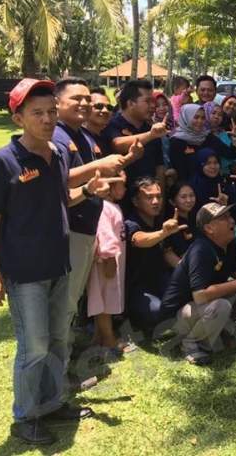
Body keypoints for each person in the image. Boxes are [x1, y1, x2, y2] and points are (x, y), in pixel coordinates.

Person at [0, 79, 112, 444]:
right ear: (18, 118)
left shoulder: (57, 153)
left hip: (59, 266)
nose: (47, 119)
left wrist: (86, 191)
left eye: (51, 111)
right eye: (37, 113)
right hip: (25, 273)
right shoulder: (2, 161)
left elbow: (59, 200)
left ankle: (53, 403)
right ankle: (26, 416)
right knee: (34, 346)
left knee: (57, 340)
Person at [51, 78, 130, 359]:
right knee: (65, 303)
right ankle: (59, 370)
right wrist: (100, 166)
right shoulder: (57, 137)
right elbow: (59, 181)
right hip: (69, 230)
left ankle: (63, 361)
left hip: (88, 228)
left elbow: (93, 178)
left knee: (72, 302)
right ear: (57, 103)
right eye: (77, 99)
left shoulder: (83, 136)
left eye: (88, 98)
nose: (84, 104)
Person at [160, 203, 236, 365]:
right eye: (224, 218)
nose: (231, 220)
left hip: (202, 306)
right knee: (221, 305)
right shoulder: (200, 250)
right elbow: (200, 295)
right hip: (179, 314)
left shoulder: (230, 242)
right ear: (209, 228)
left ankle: (221, 331)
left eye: (230, 216)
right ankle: (192, 344)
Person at [124, 176, 187, 330]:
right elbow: (139, 240)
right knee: (157, 313)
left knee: (186, 297)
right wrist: (163, 233)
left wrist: (186, 269)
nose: (155, 201)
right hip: (138, 286)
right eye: (149, 197)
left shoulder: (159, 221)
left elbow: (167, 252)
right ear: (135, 201)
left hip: (160, 278)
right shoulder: (130, 222)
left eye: (158, 196)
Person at [87, 173, 129, 355]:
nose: (125, 189)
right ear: (110, 186)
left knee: (106, 300)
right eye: (122, 185)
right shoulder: (104, 207)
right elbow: (103, 234)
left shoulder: (113, 206)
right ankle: (109, 340)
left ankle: (98, 336)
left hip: (113, 260)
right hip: (106, 262)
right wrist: (109, 258)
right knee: (104, 303)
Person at [102, 79, 166, 187]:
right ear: (131, 103)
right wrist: (150, 135)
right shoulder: (112, 124)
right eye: (147, 101)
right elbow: (117, 144)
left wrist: (161, 198)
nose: (153, 106)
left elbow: (159, 168)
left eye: (153, 101)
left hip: (148, 198)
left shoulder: (151, 129)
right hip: (120, 195)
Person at [169, 104, 236, 182]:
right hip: (191, 187)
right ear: (186, 117)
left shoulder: (207, 136)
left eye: (203, 118)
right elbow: (180, 172)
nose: (200, 121)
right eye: (196, 117)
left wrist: (235, 138)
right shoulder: (177, 141)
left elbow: (231, 154)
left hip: (213, 184)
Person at [163, 182, 197, 268]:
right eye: (183, 197)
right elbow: (169, 254)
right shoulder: (169, 224)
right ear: (172, 202)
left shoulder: (196, 218)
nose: (189, 200)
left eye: (192, 195)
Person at [85, 88, 114, 154]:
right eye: (99, 106)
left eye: (109, 107)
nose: (105, 110)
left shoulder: (107, 139)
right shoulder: (78, 139)